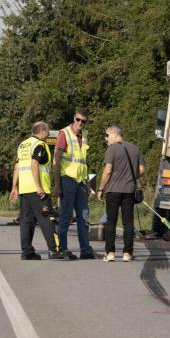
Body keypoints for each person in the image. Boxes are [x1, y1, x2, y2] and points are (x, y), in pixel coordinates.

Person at [10, 121, 66, 261]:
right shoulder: (40, 145)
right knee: (47, 218)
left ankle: (27, 251)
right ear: (41, 132)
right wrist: (38, 186)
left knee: (26, 221)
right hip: (38, 190)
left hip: (24, 189)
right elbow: (34, 163)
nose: (48, 135)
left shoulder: (23, 145)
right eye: (47, 132)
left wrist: (14, 187)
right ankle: (54, 250)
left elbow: (17, 166)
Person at [96, 125, 145, 262]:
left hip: (113, 190)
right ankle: (127, 253)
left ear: (114, 134)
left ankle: (110, 253)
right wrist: (130, 177)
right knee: (128, 223)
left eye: (107, 135)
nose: (106, 139)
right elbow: (141, 170)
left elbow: (107, 171)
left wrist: (101, 188)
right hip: (129, 190)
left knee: (111, 222)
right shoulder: (135, 149)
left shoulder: (112, 149)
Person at [54, 109, 95, 260]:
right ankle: (63, 248)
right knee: (66, 216)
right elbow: (56, 161)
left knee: (83, 217)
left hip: (81, 182)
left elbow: (84, 162)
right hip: (68, 180)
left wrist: (88, 184)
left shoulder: (85, 135)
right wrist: (57, 185)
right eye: (78, 120)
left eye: (83, 121)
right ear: (74, 118)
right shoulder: (64, 134)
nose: (80, 123)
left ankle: (85, 250)